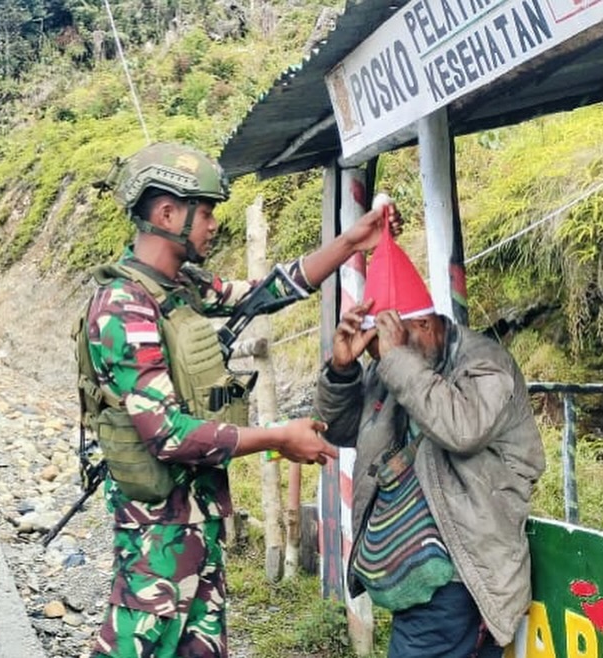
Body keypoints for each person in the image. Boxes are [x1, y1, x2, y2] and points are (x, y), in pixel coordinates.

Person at [83, 141, 400, 658]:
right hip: (156, 533)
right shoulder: (124, 307)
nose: (212, 224)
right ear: (167, 214)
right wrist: (278, 437)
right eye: (204, 212)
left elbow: (264, 293)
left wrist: (351, 242)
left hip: (197, 522)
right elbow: (167, 435)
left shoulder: (179, 286)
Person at [314, 222, 546, 657]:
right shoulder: (401, 364)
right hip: (419, 565)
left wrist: (396, 358)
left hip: (462, 567)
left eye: (383, 347)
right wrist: (342, 371)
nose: (378, 358)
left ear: (422, 326)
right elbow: (343, 430)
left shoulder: (483, 363)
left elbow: (462, 429)